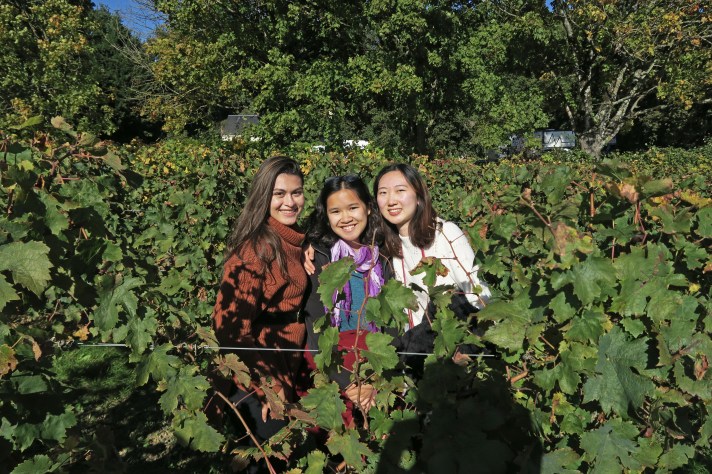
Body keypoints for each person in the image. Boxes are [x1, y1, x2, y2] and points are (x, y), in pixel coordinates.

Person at [210, 155, 308, 446]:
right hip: (257, 375)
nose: (289, 202)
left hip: (283, 362)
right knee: (267, 455)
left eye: (296, 192)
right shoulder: (257, 250)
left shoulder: (292, 238)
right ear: (264, 196)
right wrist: (269, 385)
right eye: (279, 194)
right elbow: (229, 329)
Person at [373, 163, 491, 359]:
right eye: (383, 193)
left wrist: (467, 349)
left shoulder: (446, 234)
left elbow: (479, 295)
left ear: (419, 196)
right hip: (419, 356)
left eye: (400, 190)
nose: (391, 200)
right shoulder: (387, 247)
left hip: (456, 352)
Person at [303, 175, 390, 424]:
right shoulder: (319, 257)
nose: (346, 218)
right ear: (326, 216)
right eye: (336, 211)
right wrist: (348, 382)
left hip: (378, 363)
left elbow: (393, 322)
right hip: (335, 366)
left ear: (368, 208)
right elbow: (315, 324)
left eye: (353, 208)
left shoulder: (385, 254)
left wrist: (374, 378)